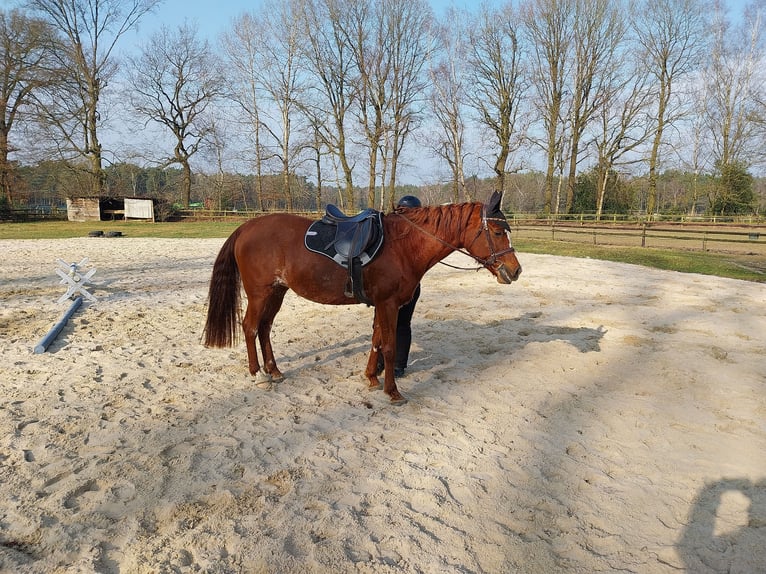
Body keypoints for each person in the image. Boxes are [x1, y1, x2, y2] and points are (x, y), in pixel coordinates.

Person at [378, 195, 421, 377]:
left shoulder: (418, 234)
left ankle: (396, 363)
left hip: (405, 284)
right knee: (389, 323)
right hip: (393, 283)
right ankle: (385, 361)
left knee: (398, 323)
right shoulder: (391, 230)